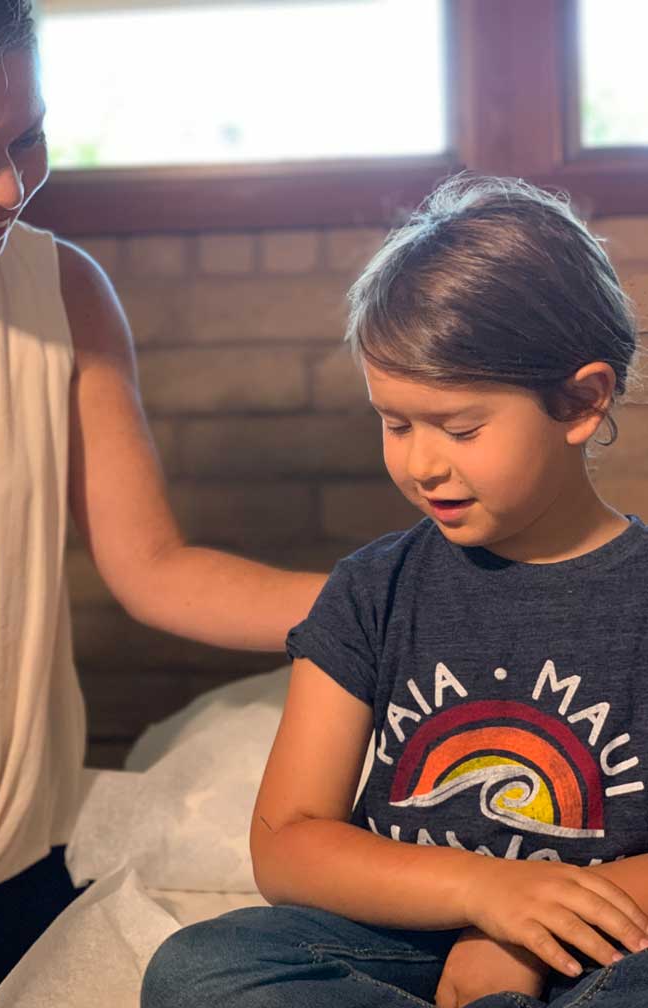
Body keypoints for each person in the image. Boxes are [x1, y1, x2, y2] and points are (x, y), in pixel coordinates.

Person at [0, 2, 325, 1005]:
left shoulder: (66, 292)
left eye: (29, 136)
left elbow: (157, 570)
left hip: (23, 867)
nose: (11, 185)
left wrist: (398, 602)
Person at [141, 174, 648, 1008]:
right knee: (201, 969)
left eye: (460, 428)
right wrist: (489, 896)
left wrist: (519, 933)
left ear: (582, 401)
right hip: (405, 942)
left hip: (606, 946)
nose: (421, 464)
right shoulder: (372, 590)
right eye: (395, 422)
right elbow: (287, 844)